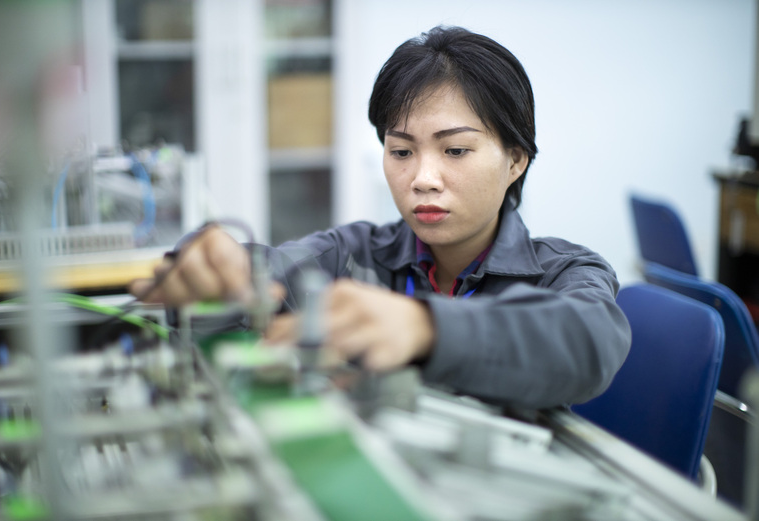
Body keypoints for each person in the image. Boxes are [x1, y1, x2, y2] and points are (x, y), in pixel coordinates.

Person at [129, 25, 631, 410]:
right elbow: (262, 275)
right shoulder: (352, 256)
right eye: (401, 151)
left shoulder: (563, 273)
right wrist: (211, 271)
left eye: (455, 150)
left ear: (516, 160)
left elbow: (587, 342)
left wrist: (426, 328)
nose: (423, 178)